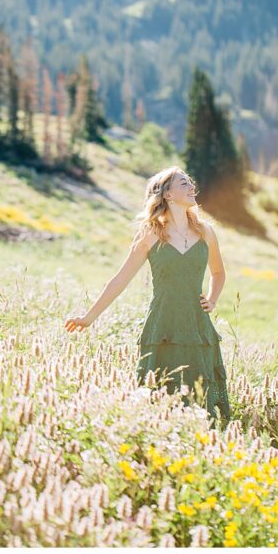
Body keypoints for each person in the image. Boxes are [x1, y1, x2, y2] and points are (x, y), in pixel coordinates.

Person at [65, 166, 232, 427]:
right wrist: (89, 317)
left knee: (202, 406)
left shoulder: (205, 231)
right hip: (162, 327)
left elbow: (219, 272)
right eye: (183, 183)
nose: (192, 187)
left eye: (191, 182)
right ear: (167, 194)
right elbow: (120, 280)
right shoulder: (151, 233)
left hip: (197, 329)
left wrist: (212, 299)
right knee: (159, 402)